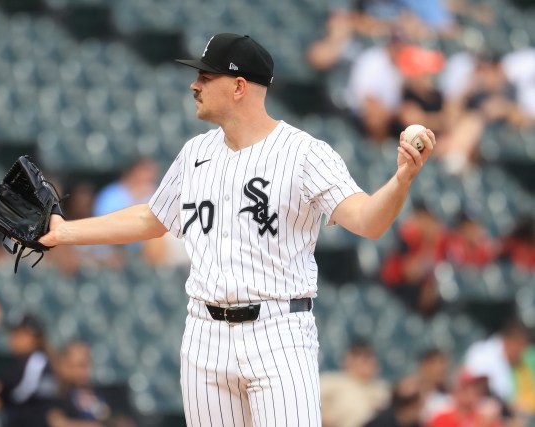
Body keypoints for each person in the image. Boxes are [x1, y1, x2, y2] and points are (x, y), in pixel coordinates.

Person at [39, 32, 436, 426]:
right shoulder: (195, 153)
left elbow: (368, 220)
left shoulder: (303, 154)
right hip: (204, 335)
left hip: (278, 332)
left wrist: (401, 179)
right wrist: (64, 231)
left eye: (207, 78)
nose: (195, 84)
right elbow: (151, 219)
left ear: (239, 87)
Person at [0, 313, 57, 427]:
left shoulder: (37, 361)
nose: (13, 339)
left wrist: (2, 398)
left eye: (20, 335)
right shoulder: (18, 362)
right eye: (13, 334)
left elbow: (24, 390)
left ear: (34, 338)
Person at [47, 341, 136, 427]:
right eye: (80, 365)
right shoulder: (52, 399)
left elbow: (127, 422)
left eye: (87, 363)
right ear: (62, 365)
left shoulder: (113, 393)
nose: (85, 370)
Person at [320, 341, 390, 427]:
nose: (365, 360)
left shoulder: (384, 389)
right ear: (348, 359)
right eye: (359, 356)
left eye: (369, 356)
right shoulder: (333, 382)